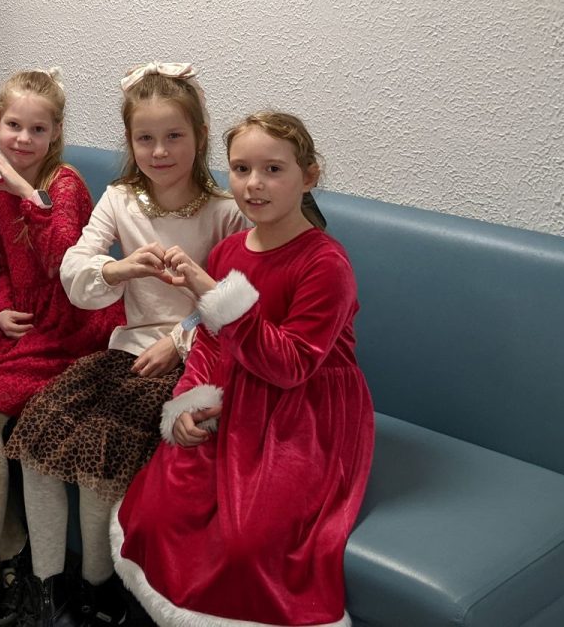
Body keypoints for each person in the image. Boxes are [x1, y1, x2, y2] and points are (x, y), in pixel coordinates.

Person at [6, 63, 247, 626]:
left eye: (173, 136)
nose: (159, 151)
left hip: (195, 359)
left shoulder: (225, 211)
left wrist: (180, 342)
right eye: (145, 138)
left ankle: (100, 592)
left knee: (104, 448)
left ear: (199, 136)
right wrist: (119, 269)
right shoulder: (120, 199)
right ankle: (49, 590)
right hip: (126, 350)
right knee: (36, 431)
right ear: (130, 141)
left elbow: (239, 297)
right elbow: (76, 270)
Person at [113, 112, 374, 627]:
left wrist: (212, 293)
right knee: (157, 512)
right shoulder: (229, 250)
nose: (254, 184)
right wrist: (188, 401)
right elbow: (210, 344)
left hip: (303, 413)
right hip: (233, 396)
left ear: (309, 176)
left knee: (245, 544)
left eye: (273, 169)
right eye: (241, 169)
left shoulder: (326, 264)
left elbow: (292, 365)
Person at [0, 69, 123, 627]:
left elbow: (64, 262)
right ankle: (11, 543)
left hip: (74, 328)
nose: (23, 139)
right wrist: (2, 307)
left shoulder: (65, 184)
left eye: (38, 129)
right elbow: (8, 265)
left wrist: (21, 188)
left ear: (56, 132)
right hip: (27, 322)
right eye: (14, 125)